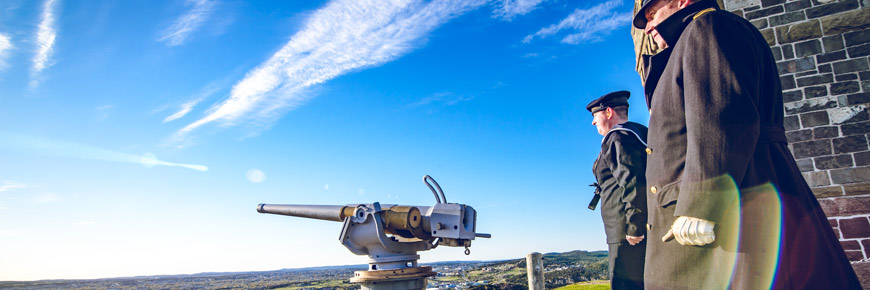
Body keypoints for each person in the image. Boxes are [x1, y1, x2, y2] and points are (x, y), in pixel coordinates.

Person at [633, 0, 861, 288]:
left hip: (730, 206)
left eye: (653, 14)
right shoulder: (693, 37)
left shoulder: (707, 27)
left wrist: (702, 203)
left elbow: (721, 117)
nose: (649, 26)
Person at [587, 90, 648, 290]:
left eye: (595, 116)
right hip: (628, 229)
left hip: (625, 233)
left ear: (609, 112)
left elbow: (632, 180)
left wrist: (634, 224)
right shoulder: (639, 132)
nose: (593, 122)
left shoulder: (618, 137)